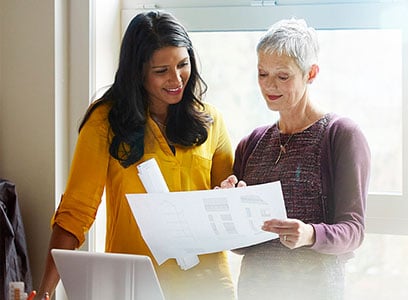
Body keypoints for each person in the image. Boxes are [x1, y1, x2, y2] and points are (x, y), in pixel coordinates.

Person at [32, 10, 235, 300]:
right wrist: (45, 291)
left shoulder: (210, 120)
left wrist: (230, 192)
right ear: (138, 72)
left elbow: (228, 202)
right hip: (135, 286)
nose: (176, 79)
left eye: (183, 64)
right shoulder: (105, 122)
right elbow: (75, 214)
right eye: (161, 71)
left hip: (209, 286)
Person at [219, 18, 371, 300]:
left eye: (283, 76)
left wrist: (309, 234)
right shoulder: (251, 144)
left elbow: (353, 231)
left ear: (311, 73)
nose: (269, 85)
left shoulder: (341, 135)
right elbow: (240, 246)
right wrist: (230, 209)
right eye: (262, 74)